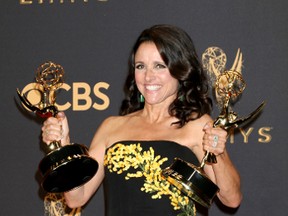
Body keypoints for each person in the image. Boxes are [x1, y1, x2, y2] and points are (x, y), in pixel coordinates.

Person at [42, 24, 242, 215]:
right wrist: (64, 147)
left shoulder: (199, 125)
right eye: (140, 66)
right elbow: (76, 199)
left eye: (159, 66)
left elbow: (231, 199)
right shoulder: (111, 127)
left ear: (179, 70)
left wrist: (218, 153)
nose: (148, 76)